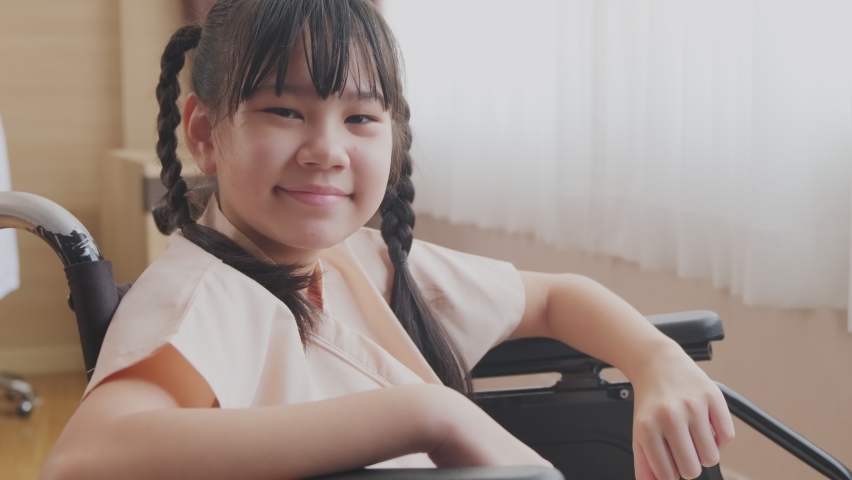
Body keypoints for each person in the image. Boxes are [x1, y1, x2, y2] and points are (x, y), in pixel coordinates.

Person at [41, 1, 734, 479]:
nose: (326, 149)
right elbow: (88, 458)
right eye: (285, 110)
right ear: (204, 133)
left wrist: (656, 361)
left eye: (361, 118)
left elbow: (554, 300)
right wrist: (424, 414)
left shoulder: (359, 261)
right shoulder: (202, 297)